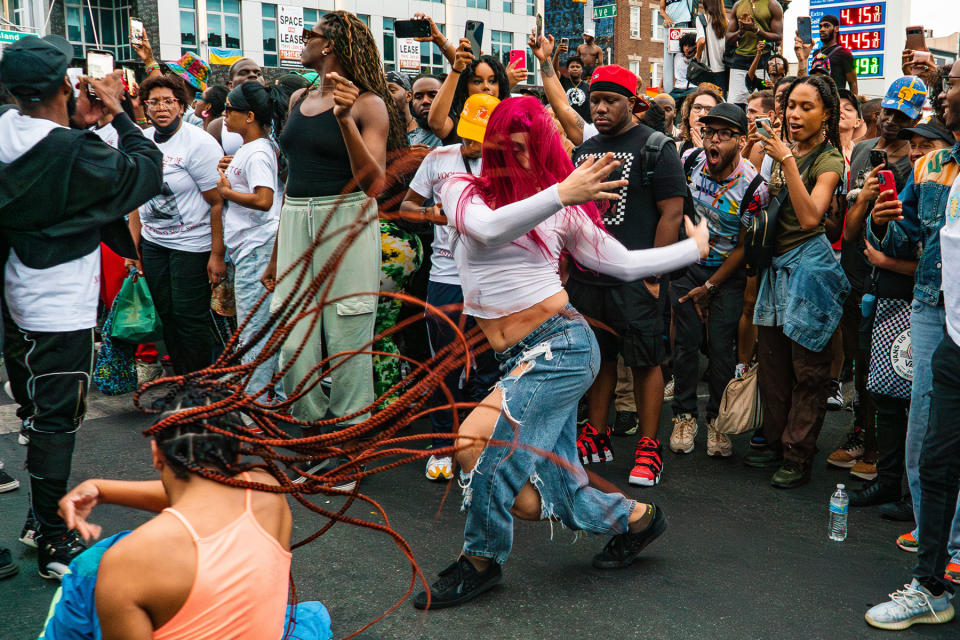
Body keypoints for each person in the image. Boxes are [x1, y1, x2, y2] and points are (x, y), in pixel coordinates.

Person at [413, 95, 709, 609]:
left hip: (562, 348)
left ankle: (480, 562)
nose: (516, 158)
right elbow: (485, 229)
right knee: (551, 491)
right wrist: (560, 192)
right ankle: (638, 519)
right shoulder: (463, 187)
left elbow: (617, 262)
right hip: (518, 358)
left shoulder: (560, 208)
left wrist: (694, 250)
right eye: (507, 148)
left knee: (476, 445)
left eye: (528, 150)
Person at [0, 34, 162, 578]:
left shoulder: (8, 131)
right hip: (59, 301)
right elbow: (144, 173)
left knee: (36, 412)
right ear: (66, 86)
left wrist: (84, 124)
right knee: (57, 420)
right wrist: (120, 116)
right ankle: (51, 540)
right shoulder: (72, 149)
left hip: (15, 292)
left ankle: (38, 520)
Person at [37, 388, 331, 640]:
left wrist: (100, 488)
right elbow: (208, 496)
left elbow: (195, 497)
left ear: (156, 454)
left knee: (89, 567)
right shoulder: (267, 491)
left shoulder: (129, 562)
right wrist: (102, 490)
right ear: (238, 452)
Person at [266, 12, 404, 485]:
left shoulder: (369, 105)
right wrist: (276, 251)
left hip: (345, 217)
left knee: (347, 345)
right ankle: (314, 442)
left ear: (331, 45)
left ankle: (346, 451)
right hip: (295, 218)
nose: (303, 40)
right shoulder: (301, 96)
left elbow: (373, 183)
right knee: (293, 347)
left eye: (311, 34)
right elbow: (291, 175)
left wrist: (345, 120)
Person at [864, 65, 960, 627]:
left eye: (953, 85)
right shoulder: (930, 165)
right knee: (928, 438)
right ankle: (937, 565)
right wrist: (883, 222)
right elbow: (911, 240)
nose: (943, 94)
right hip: (934, 311)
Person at [566, 65, 690, 487]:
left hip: (637, 277)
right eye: (595, 100)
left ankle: (648, 446)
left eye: (610, 101)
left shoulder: (657, 146)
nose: (599, 108)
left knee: (645, 360)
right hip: (589, 278)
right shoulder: (583, 151)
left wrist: (654, 271)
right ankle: (596, 434)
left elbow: (672, 212)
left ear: (632, 103)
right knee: (597, 358)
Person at [743, 75, 849, 488]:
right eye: (792, 106)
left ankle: (798, 455)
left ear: (826, 115)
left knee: (808, 371)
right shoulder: (778, 151)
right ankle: (774, 441)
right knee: (773, 366)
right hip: (776, 266)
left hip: (810, 268)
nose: (796, 114)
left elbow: (810, 218)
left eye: (807, 107)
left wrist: (786, 160)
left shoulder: (829, 161)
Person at [829, 77, 927, 479]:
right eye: (886, 112)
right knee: (858, 361)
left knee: (884, 367)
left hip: (894, 279)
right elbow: (851, 228)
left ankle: (880, 448)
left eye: (900, 116)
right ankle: (860, 434)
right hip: (856, 270)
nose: (889, 121)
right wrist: (863, 198)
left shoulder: (917, 164)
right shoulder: (866, 149)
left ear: (916, 119)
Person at [400, 93, 501, 481]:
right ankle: (443, 442)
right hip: (445, 276)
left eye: (483, 135)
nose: (475, 144)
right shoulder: (438, 158)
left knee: (489, 366)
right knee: (445, 362)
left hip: (492, 278)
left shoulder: (506, 162)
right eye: (469, 134)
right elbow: (409, 206)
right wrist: (432, 214)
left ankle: (476, 449)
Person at [671, 104, 770, 457]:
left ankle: (717, 420)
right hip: (687, 267)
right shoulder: (691, 162)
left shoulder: (754, 187)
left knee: (720, 350)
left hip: (726, 275)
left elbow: (745, 248)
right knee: (685, 345)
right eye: (710, 132)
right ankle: (683, 415)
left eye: (724, 134)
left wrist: (711, 286)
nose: (714, 139)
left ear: (742, 142)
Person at [127, 73, 225, 376]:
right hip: (155, 244)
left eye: (169, 101)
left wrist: (217, 255)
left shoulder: (199, 144)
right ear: (144, 107)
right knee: (165, 313)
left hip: (193, 246)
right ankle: (182, 381)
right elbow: (135, 199)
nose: (161, 108)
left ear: (181, 106)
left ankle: (201, 387)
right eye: (153, 102)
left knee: (189, 316)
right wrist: (132, 248)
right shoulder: (142, 142)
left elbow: (218, 202)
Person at [215, 82, 283, 402]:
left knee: (253, 331)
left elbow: (264, 199)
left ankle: (254, 407)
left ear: (250, 115)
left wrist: (228, 193)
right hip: (253, 247)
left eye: (231, 110)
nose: (225, 115)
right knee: (263, 329)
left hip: (257, 246)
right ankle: (275, 397)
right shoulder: (253, 148)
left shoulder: (258, 150)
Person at [427, 40, 511, 144]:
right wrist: (456, 70)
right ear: (465, 87)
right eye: (477, 81)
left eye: (492, 81)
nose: (486, 86)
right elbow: (436, 124)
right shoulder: (457, 119)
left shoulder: (510, 121)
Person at [725, 0, 784, 104]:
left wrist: (756, 30)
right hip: (739, 61)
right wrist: (740, 32)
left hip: (762, 60)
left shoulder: (773, 5)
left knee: (761, 102)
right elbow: (728, 38)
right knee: (735, 103)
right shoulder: (738, 5)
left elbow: (778, 37)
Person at [208, 58, 266, 155]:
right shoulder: (218, 127)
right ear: (231, 85)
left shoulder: (278, 118)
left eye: (258, 73)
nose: (253, 75)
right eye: (243, 73)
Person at [796, 15, 858, 95]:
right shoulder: (816, 53)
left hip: (835, 101)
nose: (822, 29)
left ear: (836, 29)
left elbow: (853, 83)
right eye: (820, 26)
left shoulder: (844, 53)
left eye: (826, 26)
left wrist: (854, 104)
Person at [659, 0, 697, 94]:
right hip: (671, 25)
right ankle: (669, 86)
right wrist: (667, 18)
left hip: (683, 22)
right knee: (671, 57)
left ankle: (688, 83)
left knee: (685, 54)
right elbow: (661, 9)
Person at [694, 0, 729, 91]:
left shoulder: (702, 19)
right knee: (721, 100)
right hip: (723, 70)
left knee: (707, 100)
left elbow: (701, 41)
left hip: (707, 70)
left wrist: (697, 58)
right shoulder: (726, 22)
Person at [678, 84, 723, 154]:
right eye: (697, 107)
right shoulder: (677, 148)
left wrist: (703, 153)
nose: (701, 114)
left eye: (709, 109)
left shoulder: (724, 149)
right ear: (688, 114)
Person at [408, 74, 443, 147]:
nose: (425, 101)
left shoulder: (460, 132)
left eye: (433, 95)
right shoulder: (410, 140)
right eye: (418, 97)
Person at [560, 55, 591, 124]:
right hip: (566, 123)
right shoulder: (563, 82)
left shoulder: (588, 87)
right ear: (568, 69)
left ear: (582, 70)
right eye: (572, 67)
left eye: (578, 67)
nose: (575, 69)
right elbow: (554, 71)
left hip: (584, 125)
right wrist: (556, 54)